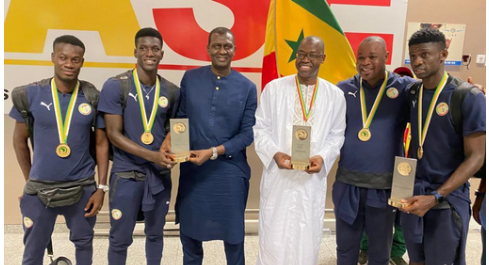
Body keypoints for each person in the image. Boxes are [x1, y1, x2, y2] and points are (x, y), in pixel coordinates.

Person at [10, 35, 109, 265]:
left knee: (84, 244)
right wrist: (30, 181)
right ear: (53, 57)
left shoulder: (91, 96)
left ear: (82, 62)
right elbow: (19, 141)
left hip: (83, 188)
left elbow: (102, 143)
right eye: (63, 58)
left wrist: (101, 188)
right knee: (33, 251)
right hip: (40, 191)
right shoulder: (30, 95)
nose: (69, 64)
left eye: (75, 59)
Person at [167, 27, 257, 265]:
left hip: (230, 171)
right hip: (193, 170)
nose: (222, 50)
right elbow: (182, 118)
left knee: (234, 236)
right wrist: (174, 146)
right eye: (216, 45)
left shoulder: (247, 87)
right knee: (191, 235)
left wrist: (214, 152)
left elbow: (248, 134)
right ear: (208, 49)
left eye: (227, 46)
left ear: (234, 50)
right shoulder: (191, 78)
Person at [254, 36, 346, 265]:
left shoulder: (335, 95)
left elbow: (337, 135)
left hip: (310, 184)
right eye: (301, 54)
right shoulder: (274, 89)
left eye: (312, 55)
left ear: (322, 58)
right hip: (278, 179)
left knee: (306, 236)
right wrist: (275, 154)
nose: (305, 59)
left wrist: (322, 158)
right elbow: (260, 129)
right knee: (273, 236)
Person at [401, 28, 485, 265]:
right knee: (416, 260)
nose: (417, 61)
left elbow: (477, 156)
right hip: (414, 196)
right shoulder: (413, 92)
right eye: (413, 56)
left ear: (443, 54)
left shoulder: (466, 96)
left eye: (425, 55)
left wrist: (437, 196)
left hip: (446, 201)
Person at [97, 27, 180, 265]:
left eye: (154, 48)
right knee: (120, 238)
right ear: (135, 51)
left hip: (159, 176)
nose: (149, 53)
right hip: (126, 175)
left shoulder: (172, 91)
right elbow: (113, 134)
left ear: (162, 54)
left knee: (155, 234)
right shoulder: (116, 86)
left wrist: (171, 148)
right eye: (143, 48)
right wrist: (151, 155)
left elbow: (176, 129)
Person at [333, 36, 415, 265]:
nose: (365, 62)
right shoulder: (343, 89)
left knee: (380, 253)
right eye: (361, 57)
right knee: (346, 250)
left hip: (384, 186)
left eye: (372, 57)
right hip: (348, 182)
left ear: (387, 57)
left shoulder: (405, 88)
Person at [357, 66, 415, 265]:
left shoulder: (418, 118)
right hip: (386, 171)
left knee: (403, 215)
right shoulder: (389, 115)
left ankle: (397, 252)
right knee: (372, 211)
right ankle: (365, 248)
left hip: (410, 173)